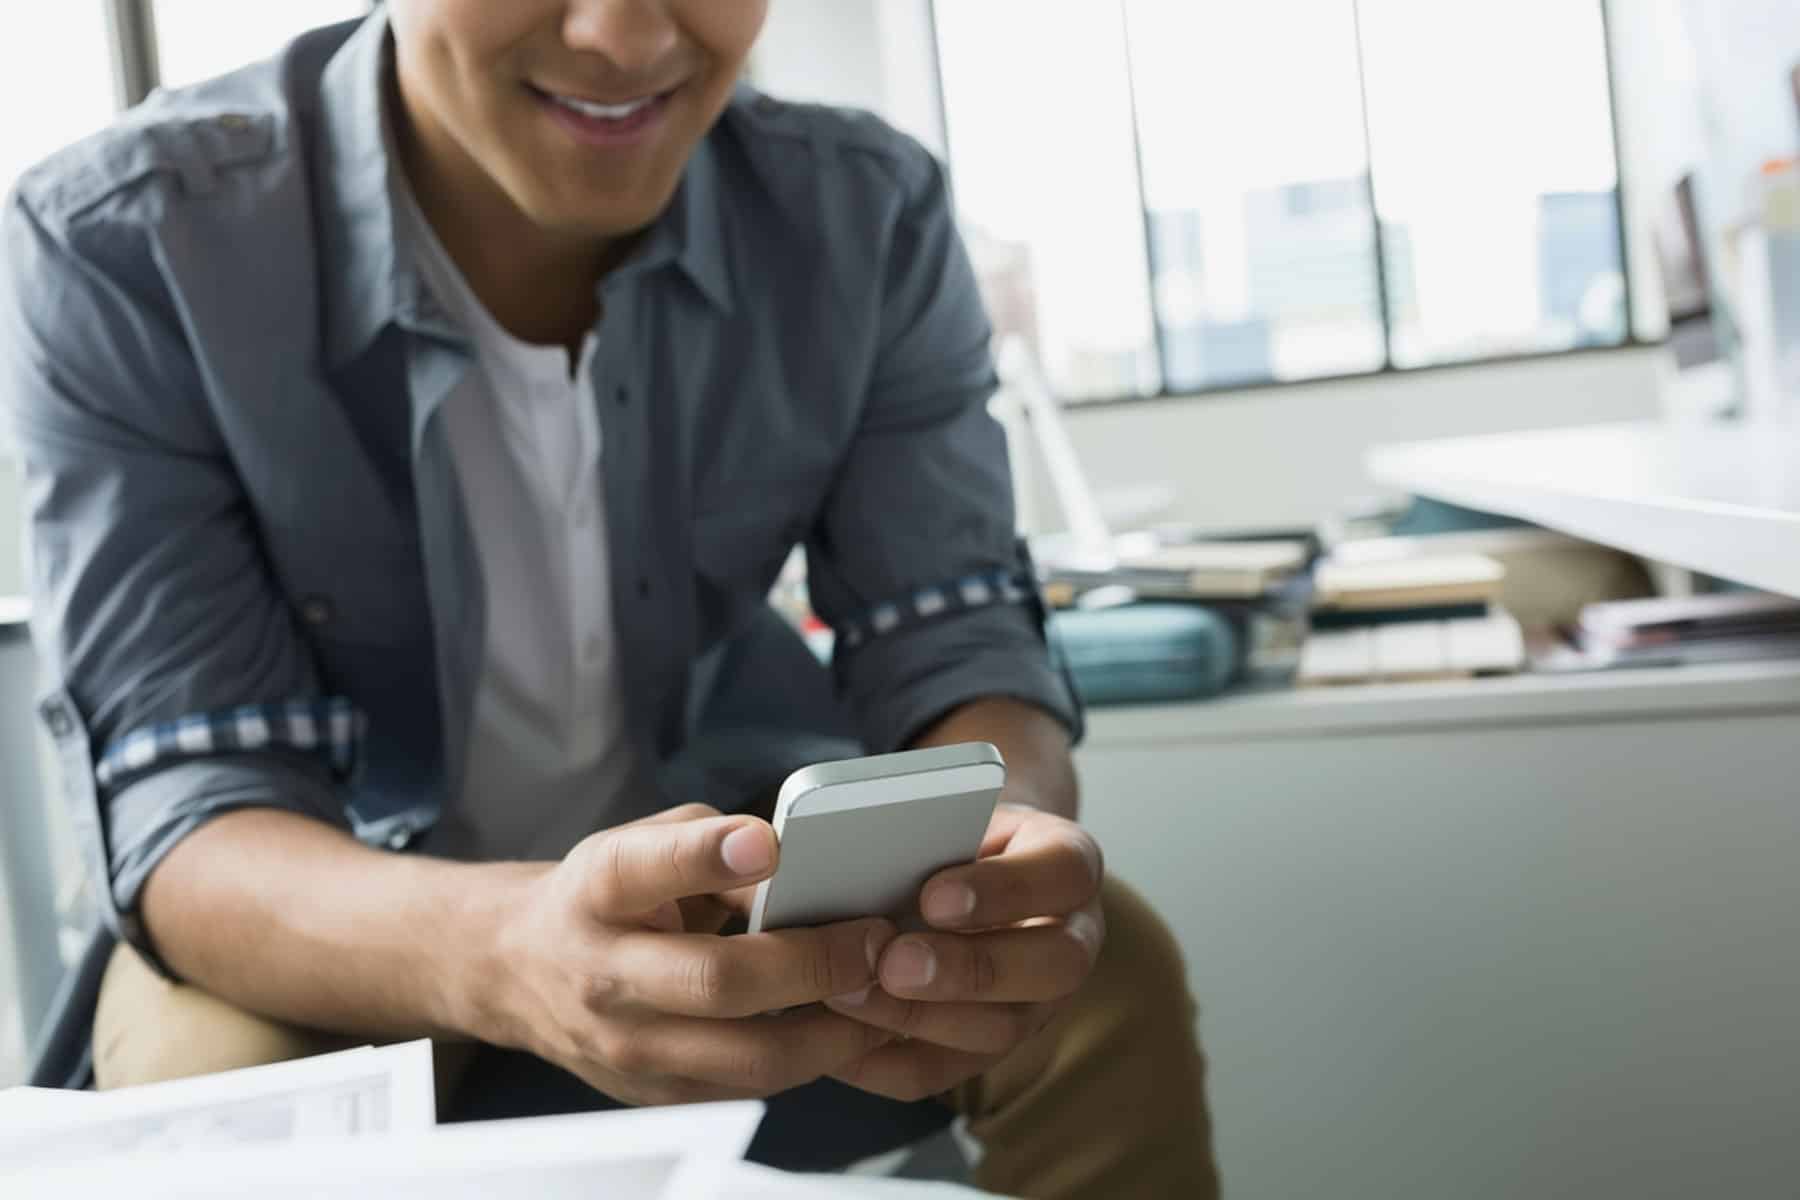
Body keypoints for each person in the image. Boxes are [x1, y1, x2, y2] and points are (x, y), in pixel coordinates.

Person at [1, 3, 1218, 1195]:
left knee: (1099, 971)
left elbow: (955, 634)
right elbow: (189, 811)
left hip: (727, 860)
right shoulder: (129, 239)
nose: (626, 40)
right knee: (237, 1114)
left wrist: (994, 850)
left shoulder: (863, 210)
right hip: (326, 907)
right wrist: (507, 956)